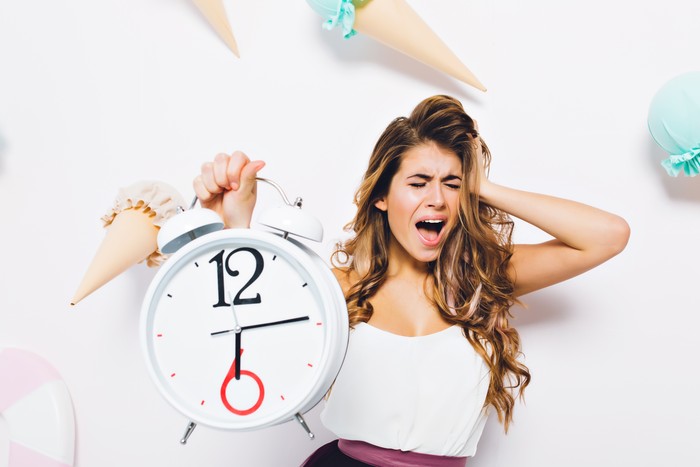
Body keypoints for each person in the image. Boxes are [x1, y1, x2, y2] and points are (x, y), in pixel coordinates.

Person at [193, 95, 630, 466]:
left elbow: (607, 236)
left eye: (451, 184)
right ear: (382, 196)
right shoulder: (336, 288)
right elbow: (241, 334)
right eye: (418, 182)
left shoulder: (484, 279)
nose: (437, 199)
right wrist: (236, 226)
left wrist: (481, 186)